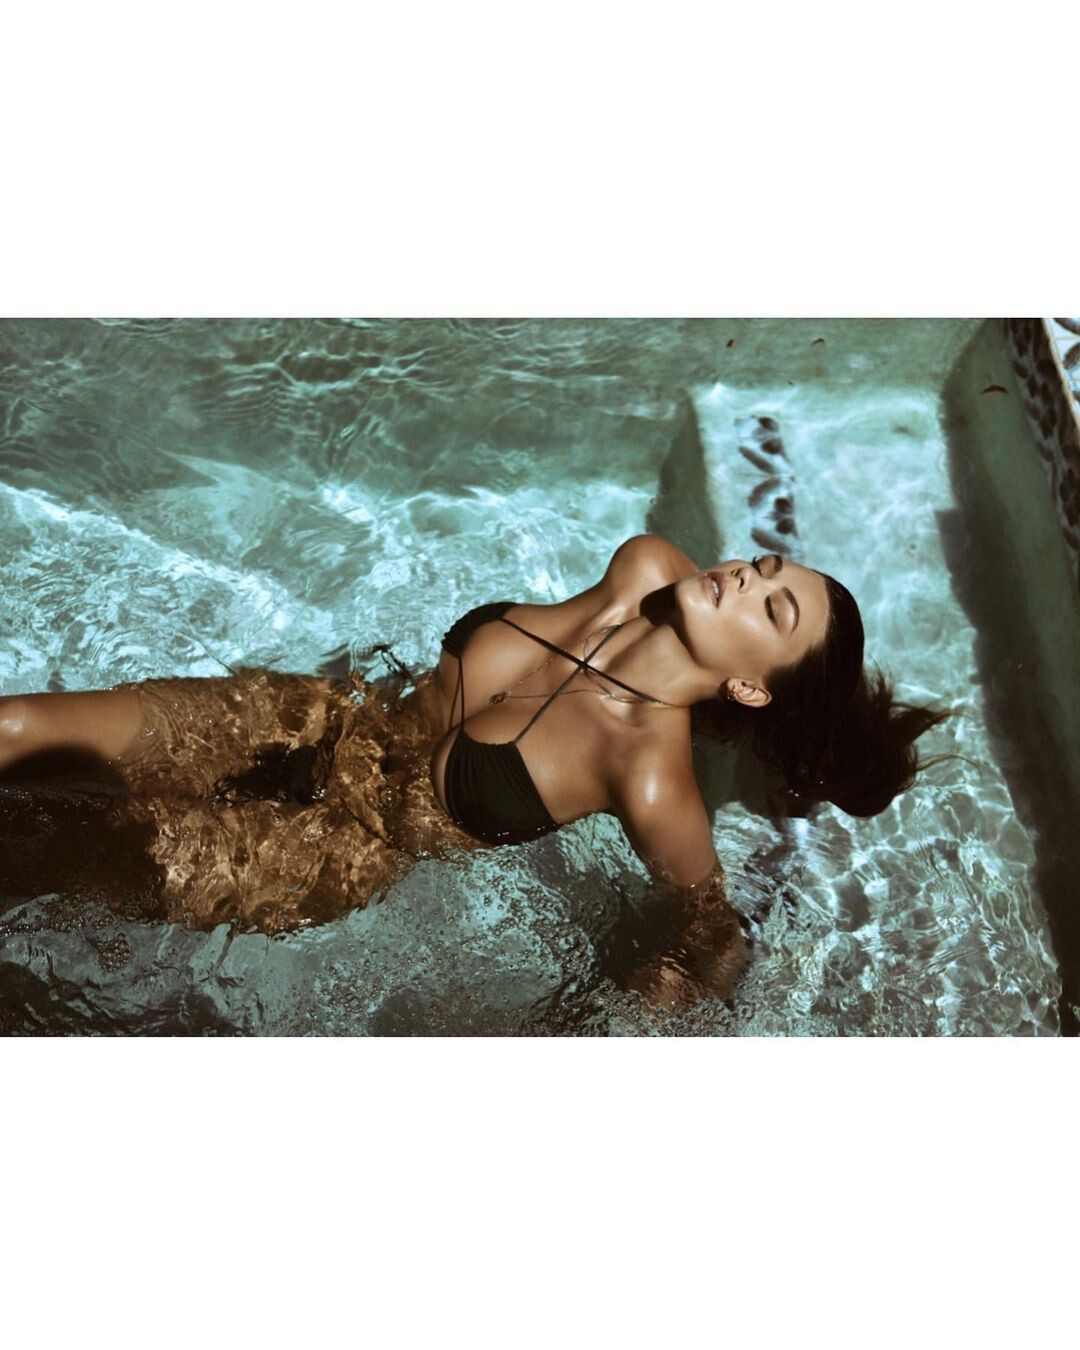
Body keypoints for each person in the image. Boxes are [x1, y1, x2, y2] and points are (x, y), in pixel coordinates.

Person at [0, 534, 950, 1010]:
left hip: (330, 849)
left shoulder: (649, 778)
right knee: (19, 728)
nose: (748, 576)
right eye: (768, 567)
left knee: (33, 850)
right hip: (314, 722)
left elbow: (712, 936)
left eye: (774, 609)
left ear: (749, 688)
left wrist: (641, 1015)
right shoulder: (646, 567)